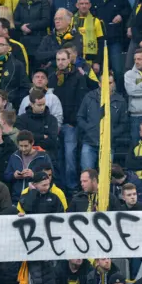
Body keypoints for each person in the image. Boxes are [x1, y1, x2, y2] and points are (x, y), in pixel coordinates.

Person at [50, 48, 88, 193]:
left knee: (70, 157)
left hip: (70, 123)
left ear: (69, 60)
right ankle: (60, 187)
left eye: (63, 59)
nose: (60, 62)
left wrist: (73, 121)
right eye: (58, 60)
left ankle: (72, 187)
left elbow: (80, 101)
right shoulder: (52, 77)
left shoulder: (77, 76)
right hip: (54, 124)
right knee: (57, 157)